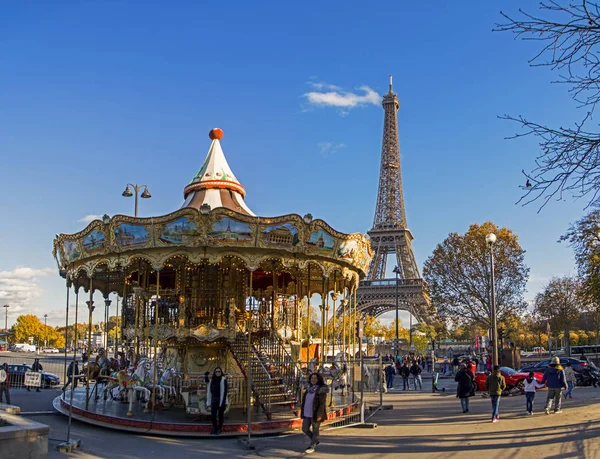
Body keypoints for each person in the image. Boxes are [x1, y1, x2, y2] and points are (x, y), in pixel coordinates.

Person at [301, 372, 329, 454]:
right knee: (305, 429)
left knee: (315, 430)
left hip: (315, 413)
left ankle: (312, 446)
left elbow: (322, 404)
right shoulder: (308, 389)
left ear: (318, 379)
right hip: (307, 412)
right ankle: (315, 440)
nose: (313, 380)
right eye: (312, 378)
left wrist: (319, 414)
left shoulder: (320, 390)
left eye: (315, 378)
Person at [205, 367, 228, 435]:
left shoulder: (223, 380)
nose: (218, 373)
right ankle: (215, 428)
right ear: (214, 373)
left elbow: (225, 391)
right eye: (216, 372)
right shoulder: (213, 380)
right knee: (213, 415)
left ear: (221, 372)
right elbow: (207, 383)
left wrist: (223, 402)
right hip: (214, 399)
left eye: (219, 371)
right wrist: (206, 376)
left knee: (220, 415)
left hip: (221, 399)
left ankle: (219, 428)